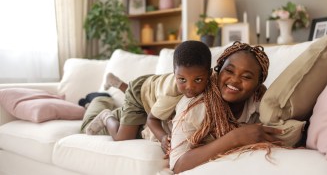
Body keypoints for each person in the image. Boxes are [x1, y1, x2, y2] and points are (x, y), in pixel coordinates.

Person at [80, 40, 212, 155]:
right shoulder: (170, 94)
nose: (190, 86)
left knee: (148, 94)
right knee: (123, 137)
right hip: (140, 93)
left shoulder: (210, 83)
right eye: (182, 79)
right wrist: (162, 138)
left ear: (209, 74)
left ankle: (116, 83)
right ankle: (106, 116)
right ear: (175, 74)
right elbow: (152, 119)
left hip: (152, 86)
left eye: (198, 80)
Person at [169, 41, 282, 174]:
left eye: (246, 76)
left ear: (258, 85)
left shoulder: (259, 99)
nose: (234, 80)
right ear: (218, 70)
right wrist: (235, 138)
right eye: (229, 70)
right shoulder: (195, 105)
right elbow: (178, 165)